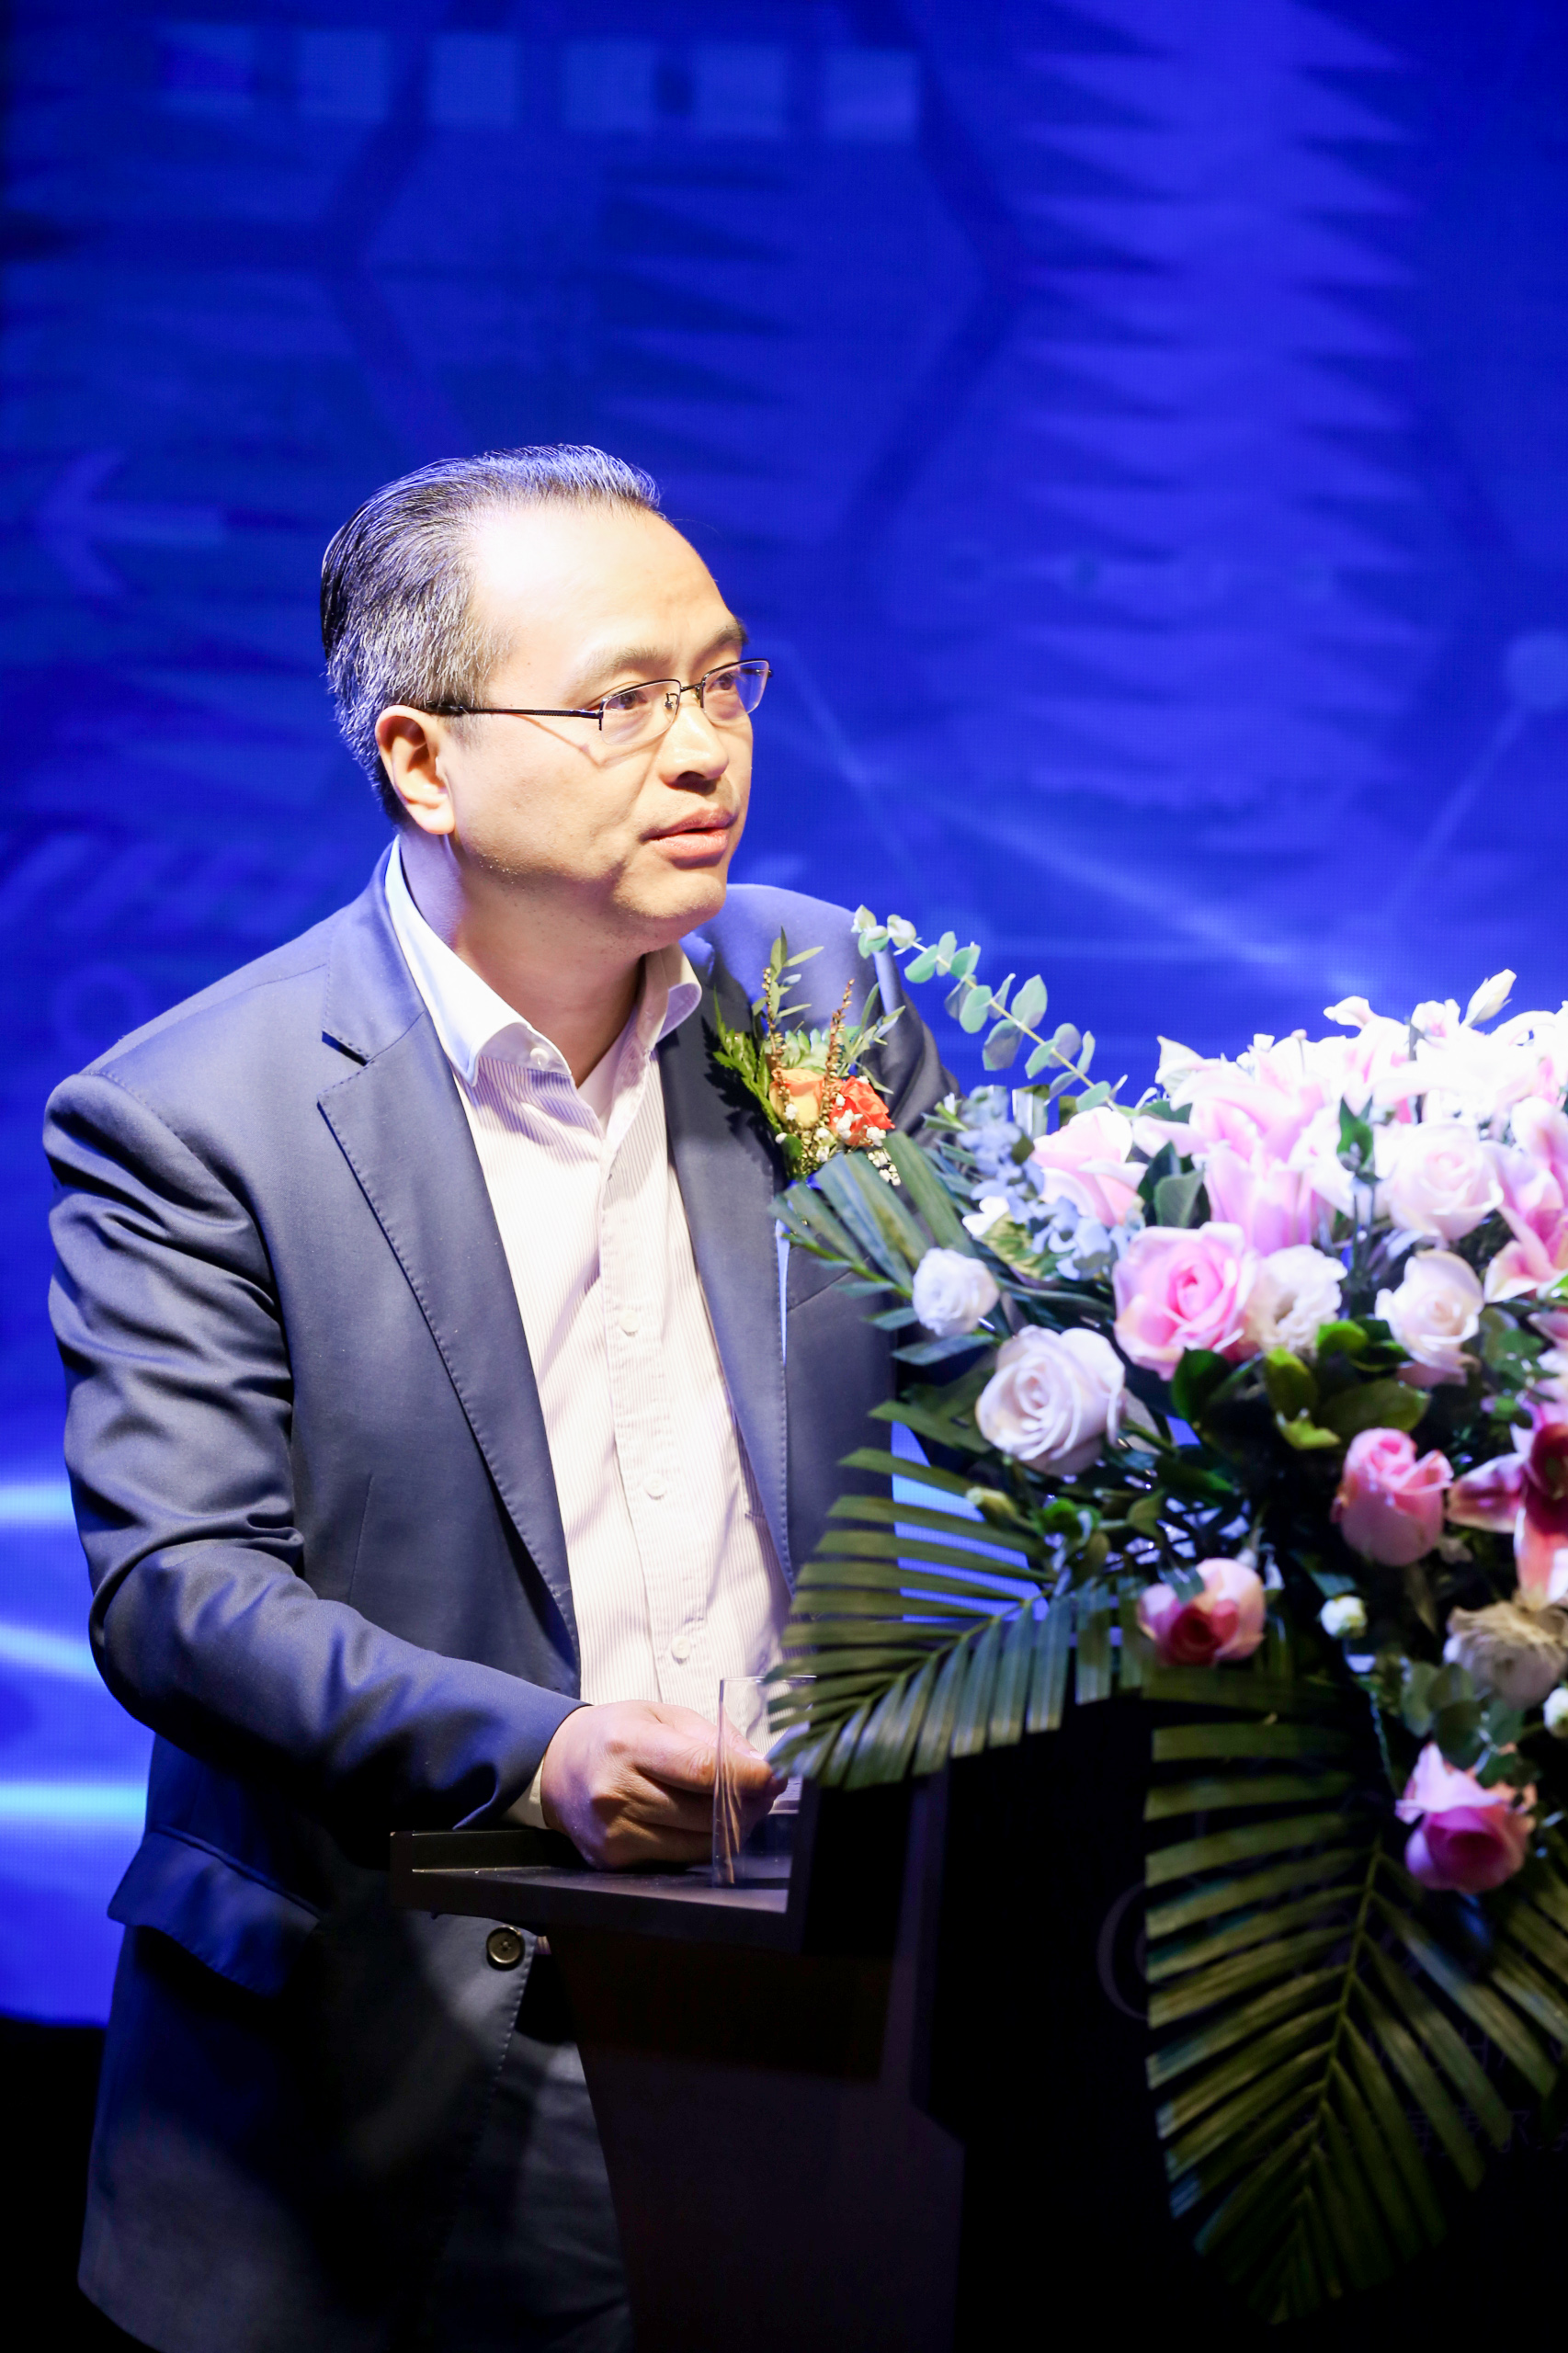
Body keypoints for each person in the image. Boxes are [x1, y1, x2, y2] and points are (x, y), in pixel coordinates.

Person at [45, 446, 944, 2353]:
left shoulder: (813, 996)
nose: (701, 750)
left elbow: (975, 1373)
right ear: (422, 760)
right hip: (402, 2033)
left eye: (721, 681)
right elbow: (181, 1591)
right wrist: (542, 1754)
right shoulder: (193, 1118)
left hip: (811, 1987)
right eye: (622, 701)